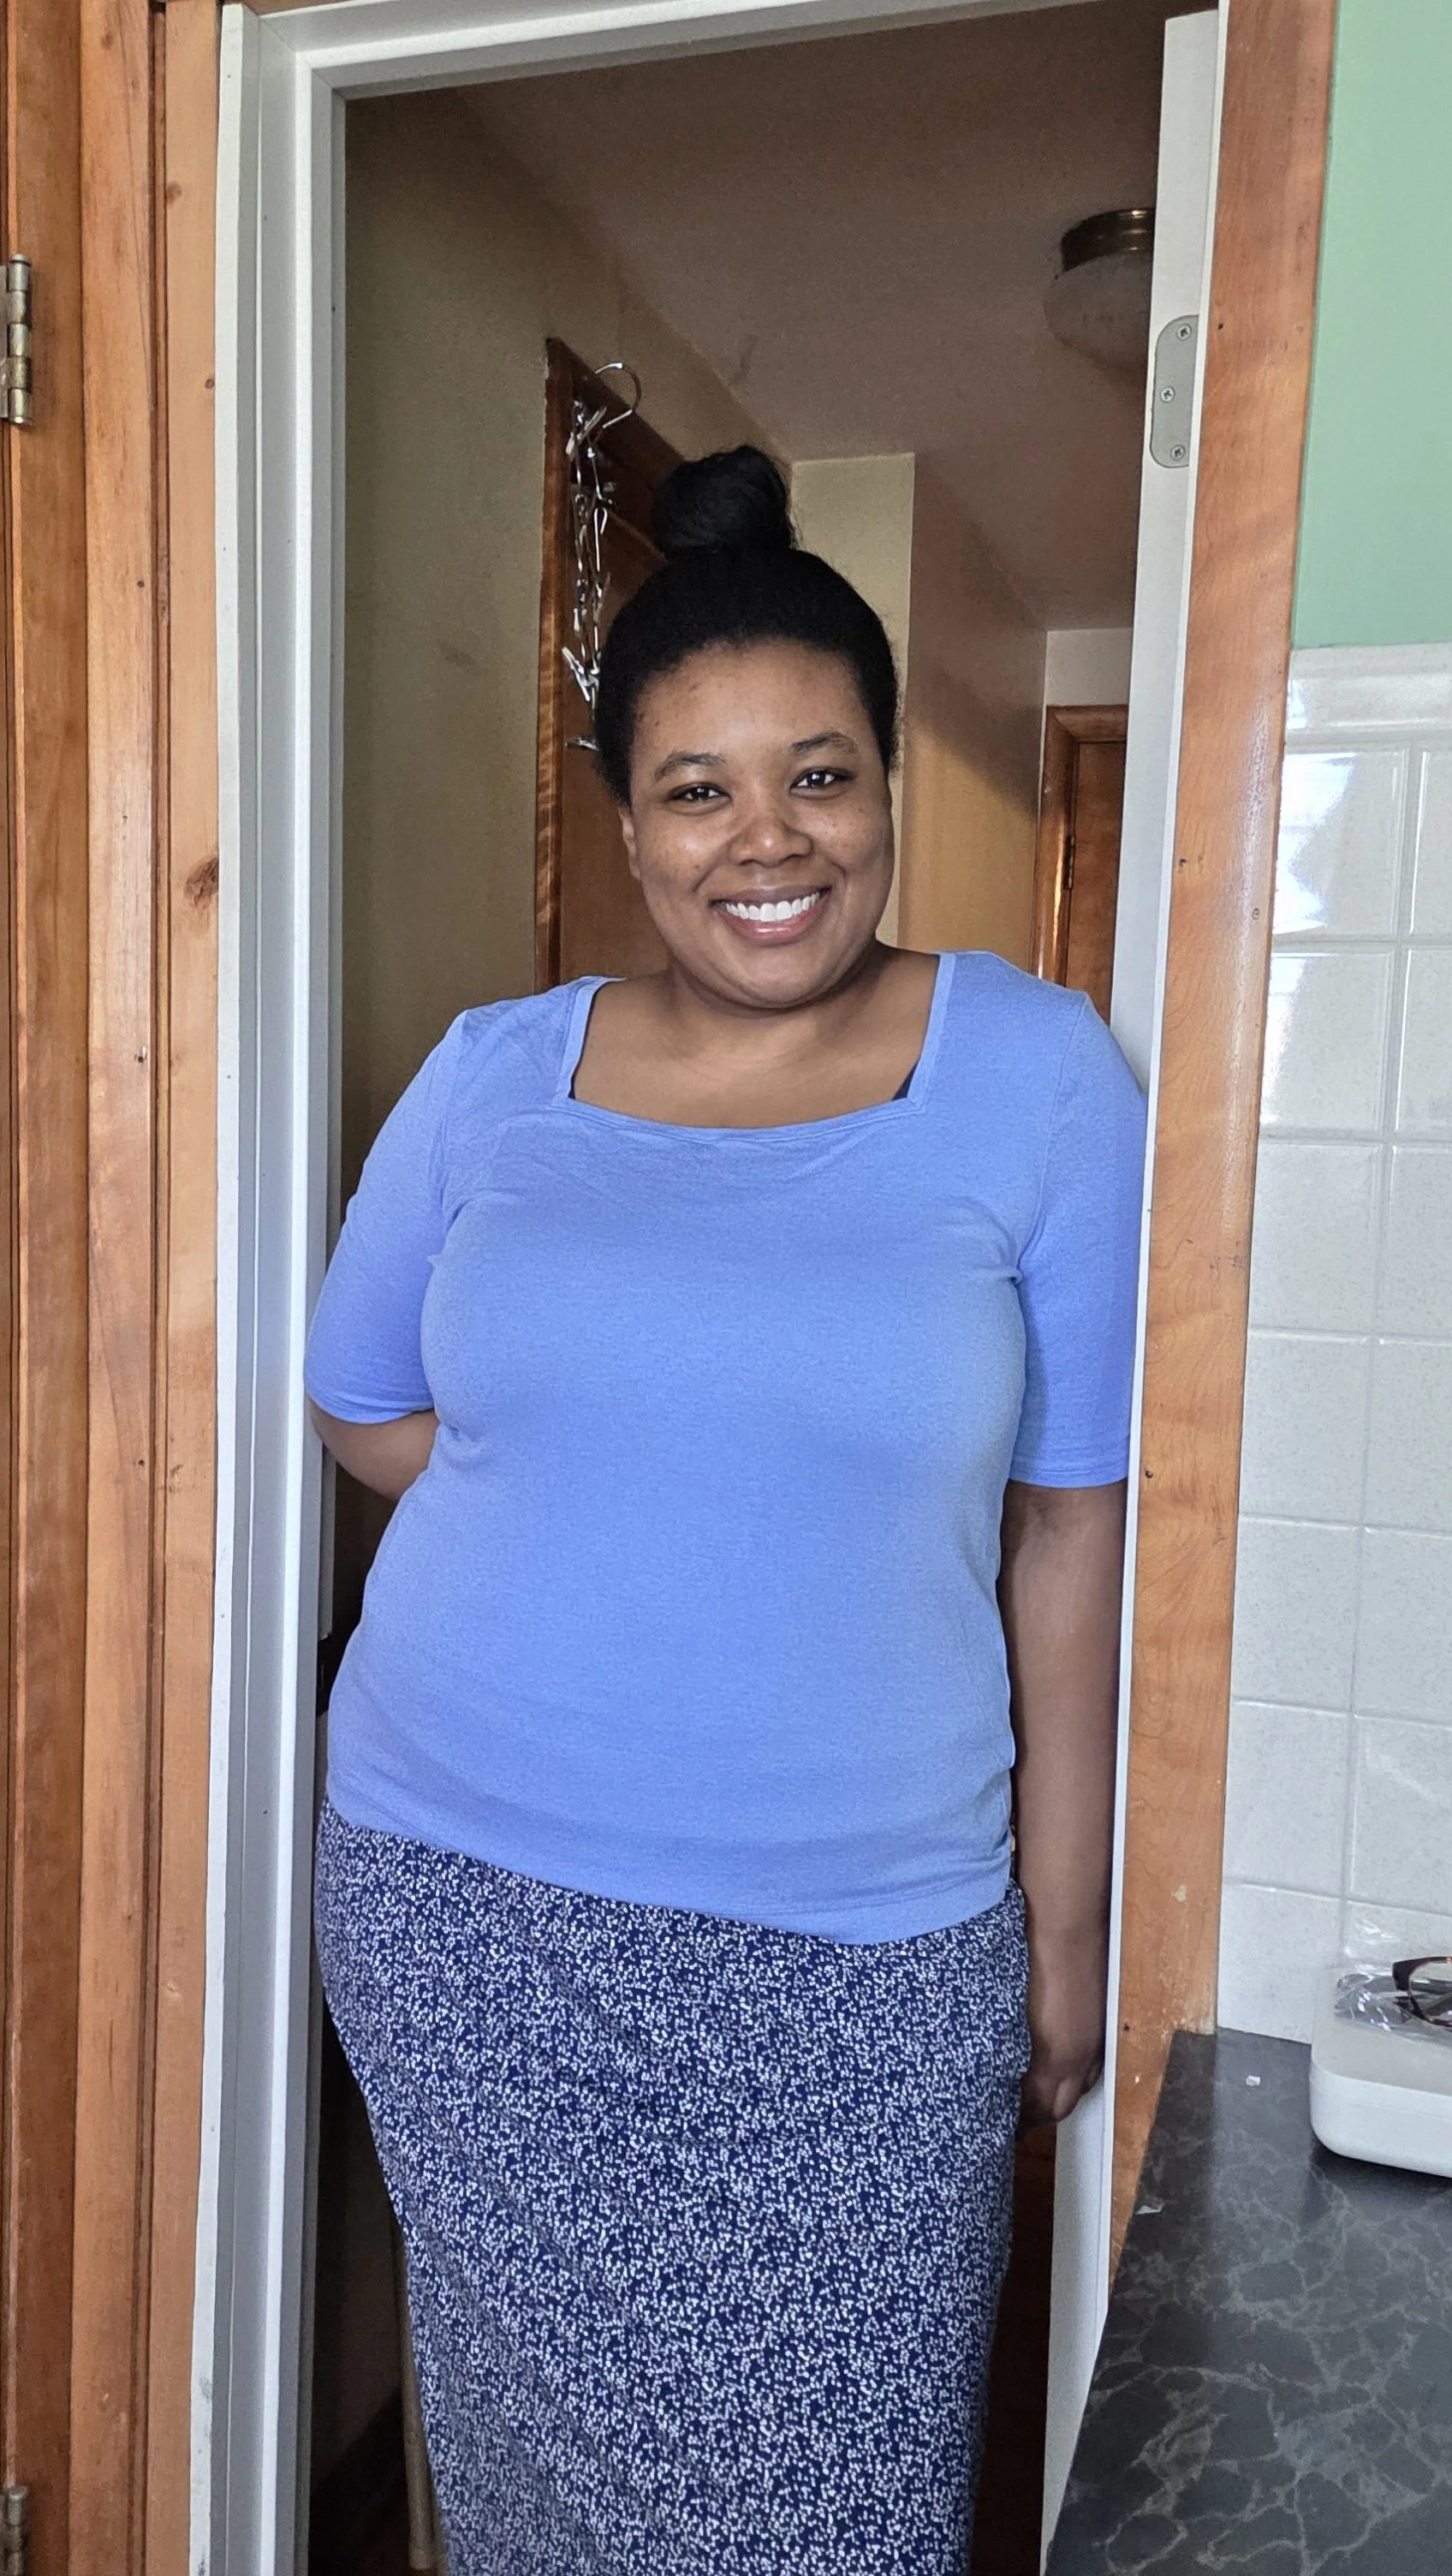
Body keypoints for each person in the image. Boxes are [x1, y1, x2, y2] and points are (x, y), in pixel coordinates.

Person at [306, 445, 1146, 2576]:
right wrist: (586, 1498)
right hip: (465, 1908)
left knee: (837, 2513)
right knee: (530, 2497)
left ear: (883, 789)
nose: (765, 841)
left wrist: (1062, 1933)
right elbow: (362, 1402)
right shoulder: (495, 1071)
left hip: (865, 1959)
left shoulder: (1040, 1075)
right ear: (625, 825)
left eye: (818, 777)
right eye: (696, 790)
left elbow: (1067, 1527)